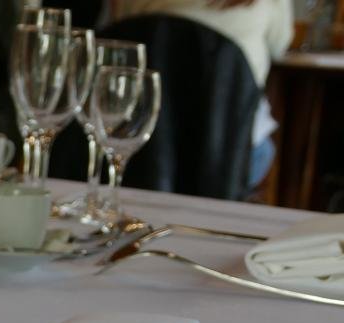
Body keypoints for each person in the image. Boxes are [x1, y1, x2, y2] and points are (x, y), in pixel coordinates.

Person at [109, 0, 294, 191]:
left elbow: (119, 34)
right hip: (230, 148)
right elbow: (280, 45)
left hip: (139, 140)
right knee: (263, 151)